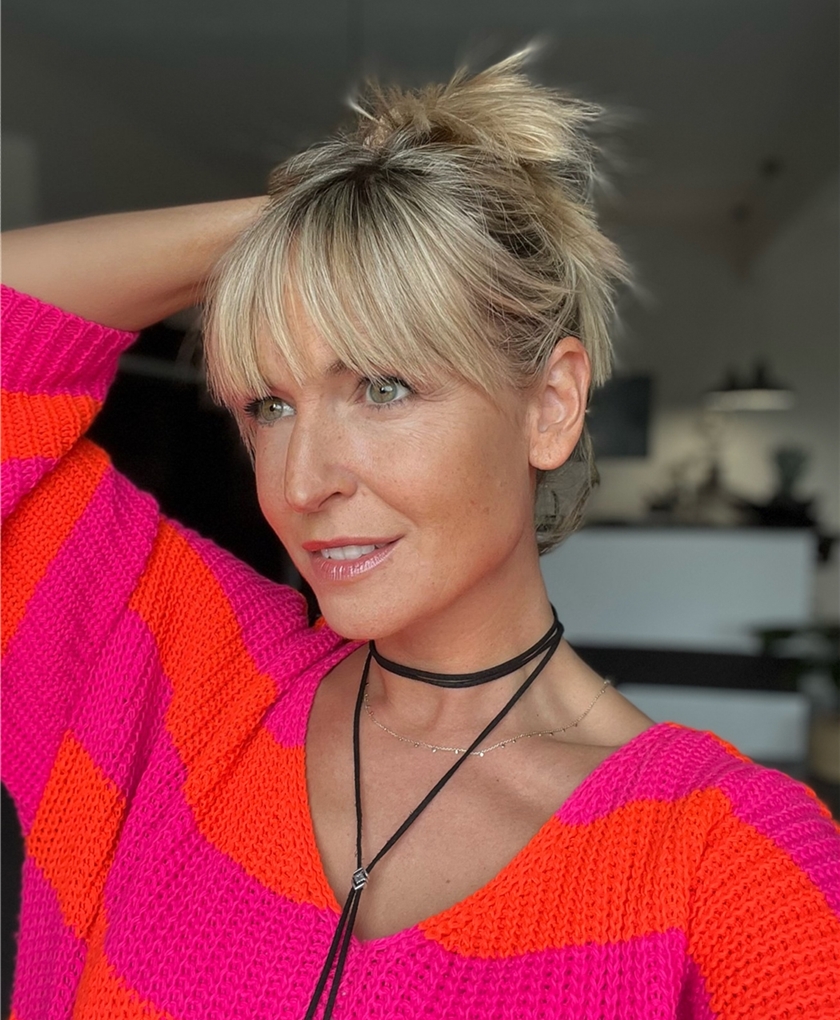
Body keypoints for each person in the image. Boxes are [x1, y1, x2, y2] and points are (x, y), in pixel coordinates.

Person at [2, 51, 838, 1020]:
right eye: (270, 404)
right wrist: (319, 218)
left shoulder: (728, 867)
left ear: (551, 407)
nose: (302, 483)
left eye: (384, 387)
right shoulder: (178, 675)